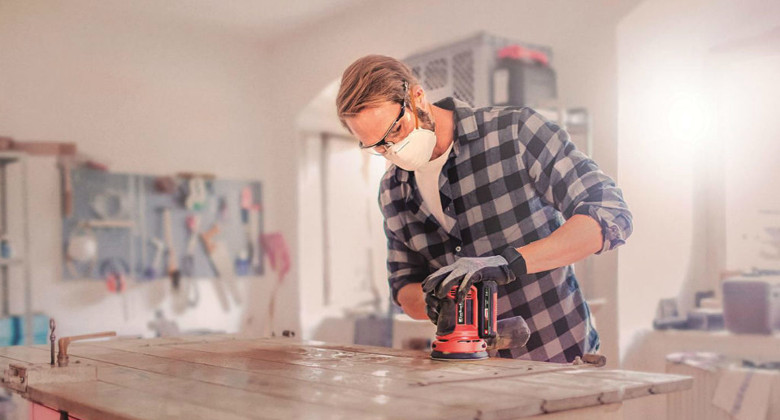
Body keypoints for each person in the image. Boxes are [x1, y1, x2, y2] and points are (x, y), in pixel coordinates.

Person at [336, 55, 632, 362]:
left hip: (560, 359)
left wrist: (509, 263)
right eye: (377, 146)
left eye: (395, 130)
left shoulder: (515, 134)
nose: (391, 149)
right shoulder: (393, 190)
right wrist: (433, 300)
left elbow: (609, 213)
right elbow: (402, 287)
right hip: (470, 376)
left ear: (417, 97)